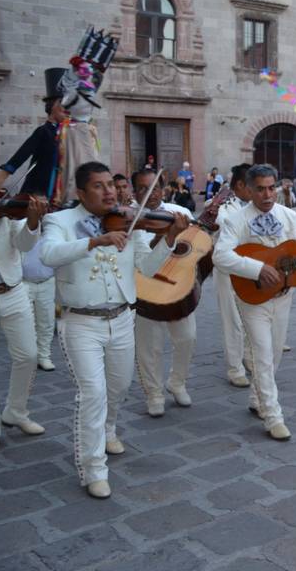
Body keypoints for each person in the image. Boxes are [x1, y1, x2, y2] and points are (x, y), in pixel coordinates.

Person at [41, 161, 188, 498]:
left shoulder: (131, 221)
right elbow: (48, 255)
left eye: (111, 184)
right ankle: (93, 468)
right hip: (80, 321)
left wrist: (169, 238)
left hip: (123, 317)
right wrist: (95, 241)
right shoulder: (59, 221)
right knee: (92, 392)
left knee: (119, 387)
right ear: (80, 192)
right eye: (98, 186)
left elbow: (147, 267)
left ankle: (108, 429)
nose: (110, 191)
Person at [213, 164, 296, 441]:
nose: (267, 195)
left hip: (283, 296)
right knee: (263, 355)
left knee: (275, 353)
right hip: (253, 298)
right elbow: (221, 256)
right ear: (249, 189)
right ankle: (272, 414)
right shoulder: (236, 220)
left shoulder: (289, 216)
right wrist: (257, 269)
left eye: (271, 188)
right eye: (260, 189)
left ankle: (257, 397)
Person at [0, 162, 48, 454]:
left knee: (28, 355)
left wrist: (31, 222)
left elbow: (25, 244)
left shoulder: (4, 211)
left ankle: (15, 411)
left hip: (14, 293)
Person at [130, 168, 199, 418]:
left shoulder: (182, 213)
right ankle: (153, 393)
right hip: (145, 290)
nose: (150, 194)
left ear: (164, 188)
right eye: (142, 188)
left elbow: (194, 246)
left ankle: (177, 382)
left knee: (187, 337)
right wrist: (167, 237)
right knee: (149, 346)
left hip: (175, 286)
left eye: (155, 187)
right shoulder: (132, 221)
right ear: (135, 191)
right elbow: (145, 264)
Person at [0, 72, 69, 203]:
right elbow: (24, 152)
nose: (67, 108)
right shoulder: (43, 131)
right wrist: (4, 174)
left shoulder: (67, 133)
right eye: (63, 103)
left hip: (62, 186)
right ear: (53, 105)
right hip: (40, 187)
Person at [211, 163, 253, 388]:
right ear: (239, 185)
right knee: (233, 321)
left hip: (252, 267)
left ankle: (248, 356)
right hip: (228, 270)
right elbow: (218, 223)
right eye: (252, 186)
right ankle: (234, 367)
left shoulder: (255, 204)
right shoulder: (220, 205)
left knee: (251, 318)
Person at [22, 237, 56, 372]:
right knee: (26, 323)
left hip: (47, 282)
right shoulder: (20, 229)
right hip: (23, 283)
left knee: (47, 322)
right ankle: (29, 357)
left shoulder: (51, 232)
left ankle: (44, 356)